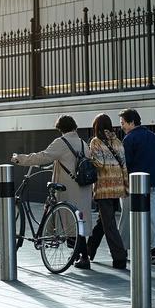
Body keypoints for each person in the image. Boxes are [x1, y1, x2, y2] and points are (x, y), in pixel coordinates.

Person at [11, 115, 93, 269]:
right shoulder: (83, 143)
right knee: (78, 221)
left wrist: (19, 159)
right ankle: (80, 255)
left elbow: (43, 156)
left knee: (70, 221)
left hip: (68, 187)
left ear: (60, 129)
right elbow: (69, 162)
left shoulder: (61, 142)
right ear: (74, 127)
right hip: (83, 187)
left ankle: (83, 256)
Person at [118, 108, 155, 264]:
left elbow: (126, 164)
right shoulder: (154, 137)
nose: (122, 126)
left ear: (131, 122)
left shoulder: (129, 139)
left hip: (134, 185)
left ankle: (123, 249)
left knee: (126, 216)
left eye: (123, 123)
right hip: (153, 183)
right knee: (152, 217)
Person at [87, 114, 128, 269]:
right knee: (103, 221)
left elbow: (100, 163)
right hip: (117, 188)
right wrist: (126, 186)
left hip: (104, 188)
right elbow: (124, 165)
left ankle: (120, 258)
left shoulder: (95, 142)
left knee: (109, 224)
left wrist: (87, 158)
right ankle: (88, 251)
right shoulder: (117, 141)